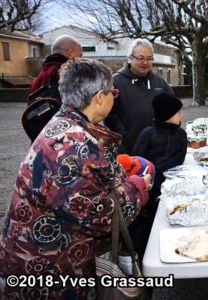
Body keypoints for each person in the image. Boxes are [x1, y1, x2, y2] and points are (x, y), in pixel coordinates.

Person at [0, 59, 152, 299]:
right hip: (50, 275)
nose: (115, 97)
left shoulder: (63, 123)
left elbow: (88, 184)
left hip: (33, 259)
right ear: (100, 97)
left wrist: (118, 169)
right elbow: (105, 216)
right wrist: (139, 186)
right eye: (113, 91)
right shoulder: (76, 145)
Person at [131, 93, 187, 261]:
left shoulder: (181, 135)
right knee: (146, 224)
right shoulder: (147, 134)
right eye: (178, 112)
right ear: (168, 114)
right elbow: (136, 161)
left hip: (169, 188)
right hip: (149, 188)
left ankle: (168, 249)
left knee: (166, 222)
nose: (181, 115)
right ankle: (141, 258)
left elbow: (179, 160)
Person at [104, 38, 174, 153]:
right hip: (128, 150)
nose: (145, 62)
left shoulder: (160, 82)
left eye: (149, 58)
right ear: (130, 59)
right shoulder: (115, 82)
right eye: (141, 58)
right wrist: (126, 140)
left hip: (158, 148)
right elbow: (110, 116)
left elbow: (172, 111)